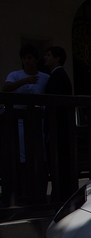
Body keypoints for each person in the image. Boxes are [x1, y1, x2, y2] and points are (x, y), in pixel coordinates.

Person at [2, 44, 50, 203]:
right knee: (22, 158)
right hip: (20, 123)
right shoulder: (15, 75)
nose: (27, 61)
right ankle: (22, 192)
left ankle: (38, 192)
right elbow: (6, 88)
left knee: (39, 156)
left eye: (30, 58)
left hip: (38, 122)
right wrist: (24, 81)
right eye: (24, 58)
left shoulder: (45, 77)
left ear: (36, 59)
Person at [43, 46, 74, 201]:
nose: (45, 57)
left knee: (58, 162)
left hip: (58, 128)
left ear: (57, 58)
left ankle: (61, 195)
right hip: (60, 128)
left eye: (48, 55)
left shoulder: (57, 77)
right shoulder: (58, 76)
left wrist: (49, 128)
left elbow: (54, 106)